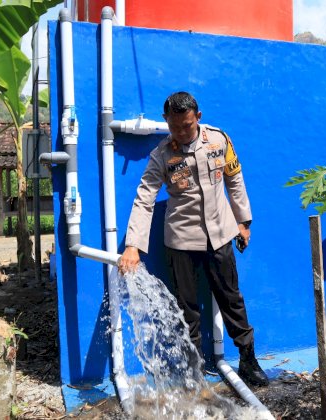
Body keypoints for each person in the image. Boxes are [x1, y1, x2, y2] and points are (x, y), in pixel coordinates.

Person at [119, 91, 269, 387]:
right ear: (166, 122)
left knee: (232, 300)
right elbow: (144, 199)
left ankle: (248, 362)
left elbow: (234, 179)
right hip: (182, 241)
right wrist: (132, 245)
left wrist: (243, 222)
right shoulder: (162, 155)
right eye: (175, 127)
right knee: (187, 309)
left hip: (221, 235)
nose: (181, 133)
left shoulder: (219, 140)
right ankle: (195, 371)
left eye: (187, 125)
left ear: (197, 117)